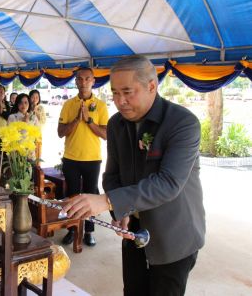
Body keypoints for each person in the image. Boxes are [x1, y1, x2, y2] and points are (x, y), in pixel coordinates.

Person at [63, 55, 205, 296]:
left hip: (173, 231)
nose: (120, 101)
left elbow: (168, 183)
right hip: (133, 228)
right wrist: (120, 211)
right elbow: (112, 174)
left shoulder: (182, 123)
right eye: (115, 93)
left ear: (152, 85)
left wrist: (107, 201)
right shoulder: (117, 124)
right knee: (133, 289)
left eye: (128, 92)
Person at [57, 67, 108, 247]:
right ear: (76, 81)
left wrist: (89, 120)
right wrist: (77, 120)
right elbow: (60, 132)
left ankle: (89, 231)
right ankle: (72, 229)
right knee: (72, 195)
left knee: (90, 194)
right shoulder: (68, 104)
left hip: (92, 159)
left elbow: (105, 134)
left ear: (93, 81)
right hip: (71, 157)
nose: (84, 82)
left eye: (88, 79)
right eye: (80, 79)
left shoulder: (100, 105)